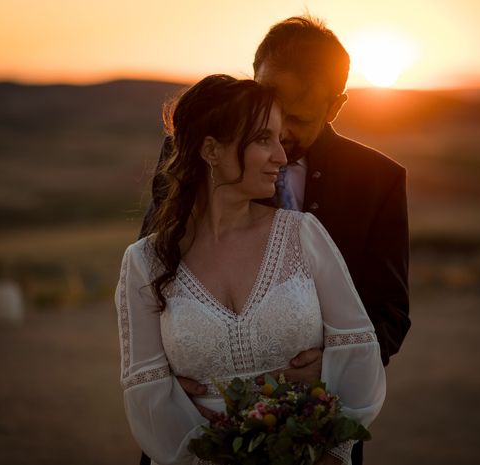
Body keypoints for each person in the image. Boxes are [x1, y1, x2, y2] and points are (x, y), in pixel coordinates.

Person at [138, 15, 410, 465]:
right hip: (193, 425)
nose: (278, 130)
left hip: (315, 431)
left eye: (298, 117)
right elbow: (153, 270)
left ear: (335, 106)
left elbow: (390, 310)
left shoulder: (377, 181)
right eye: (268, 101)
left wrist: (334, 367)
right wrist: (159, 378)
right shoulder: (192, 153)